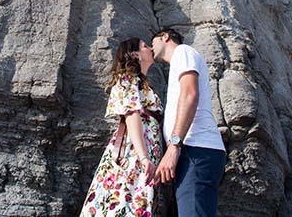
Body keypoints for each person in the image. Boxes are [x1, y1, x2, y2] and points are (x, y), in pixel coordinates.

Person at [80, 37, 164, 216]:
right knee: (126, 200)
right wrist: (143, 158)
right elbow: (132, 116)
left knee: (134, 201)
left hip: (145, 150)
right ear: (135, 54)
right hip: (134, 152)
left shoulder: (143, 84)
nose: (149, 48)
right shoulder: (128, 80)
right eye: (144, 46)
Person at [151, 28, 227, 217]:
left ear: (165, 37)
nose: (151, 48)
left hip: (195, 148)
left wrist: (174, 146)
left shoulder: (183, 52)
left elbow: (190, 94)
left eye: (152, 43)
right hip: (196, 151)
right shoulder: (180, 59)